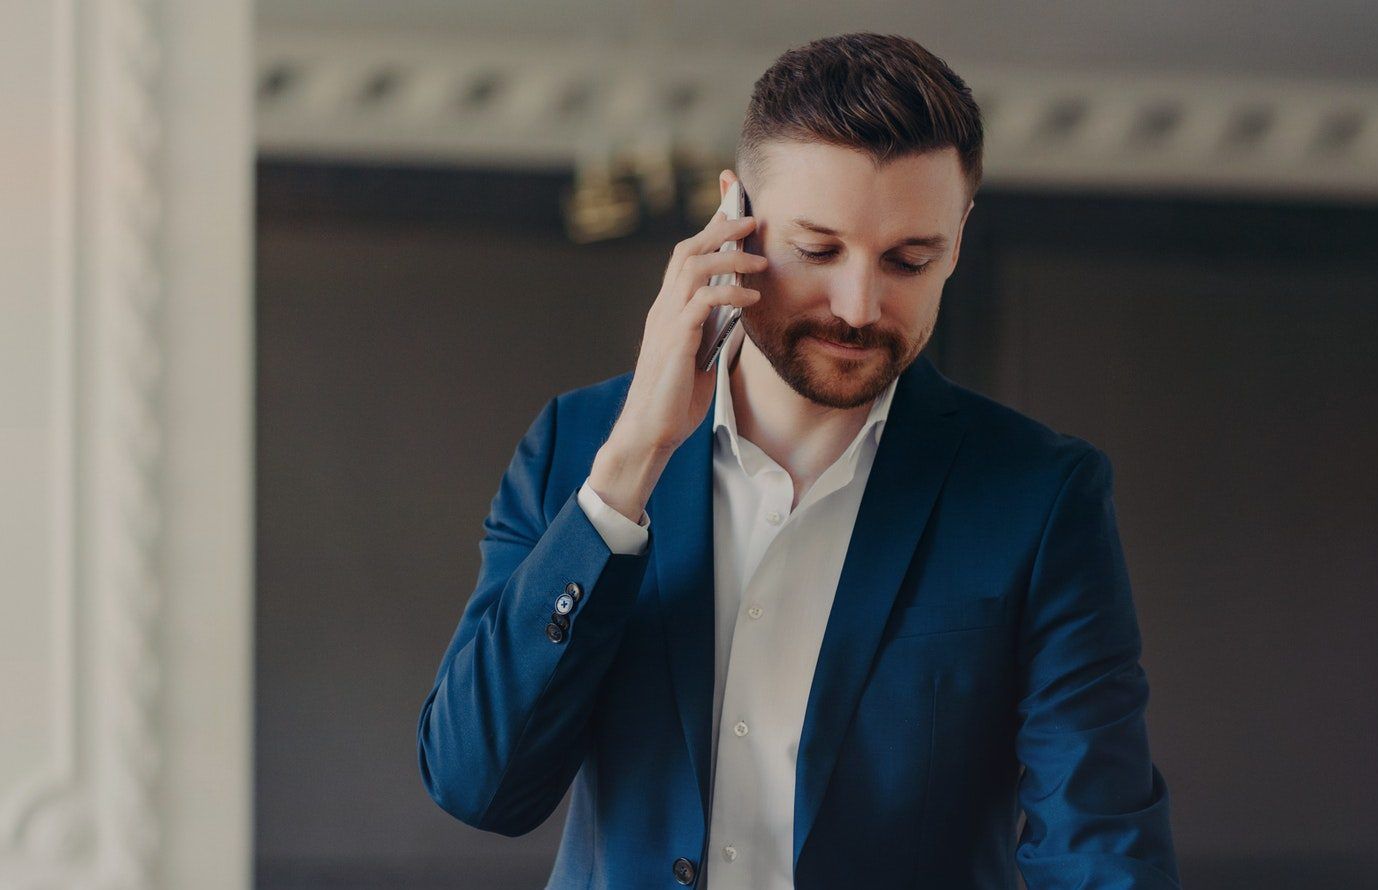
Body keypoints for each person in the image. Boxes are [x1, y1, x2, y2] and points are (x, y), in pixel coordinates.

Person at [417, 32, 1178, 890]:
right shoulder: (578, 444)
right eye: (819, 250)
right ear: (735, 215)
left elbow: (1099, 840)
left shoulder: (1041, 495)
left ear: (959, 238)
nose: (859, 306)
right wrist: (629, 469)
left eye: (909, 259)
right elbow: (477, 785)